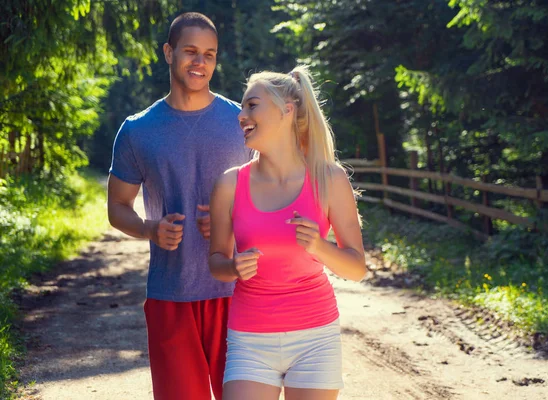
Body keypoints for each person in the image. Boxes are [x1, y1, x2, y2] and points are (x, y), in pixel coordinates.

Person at [107, 12, 252, 400]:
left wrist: (230, 224)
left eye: (209, 54)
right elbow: (118, 206)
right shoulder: (137, 129)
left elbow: (276, 197)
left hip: (238, 292)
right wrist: (150, 229)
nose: (200, 62)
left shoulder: (243, 122)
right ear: (169, 52)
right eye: (190, 51)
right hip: (170, 294)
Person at [209, 66, 367, 400]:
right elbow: (216, 262)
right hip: (249, 339)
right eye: (242, 107)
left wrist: (319, 247)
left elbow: (356, 268)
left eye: (252, 105)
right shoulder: (229, 184)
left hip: (315, 337)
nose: (241, 115)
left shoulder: (329, 178)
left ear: (287, 110)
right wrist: (233, 267)